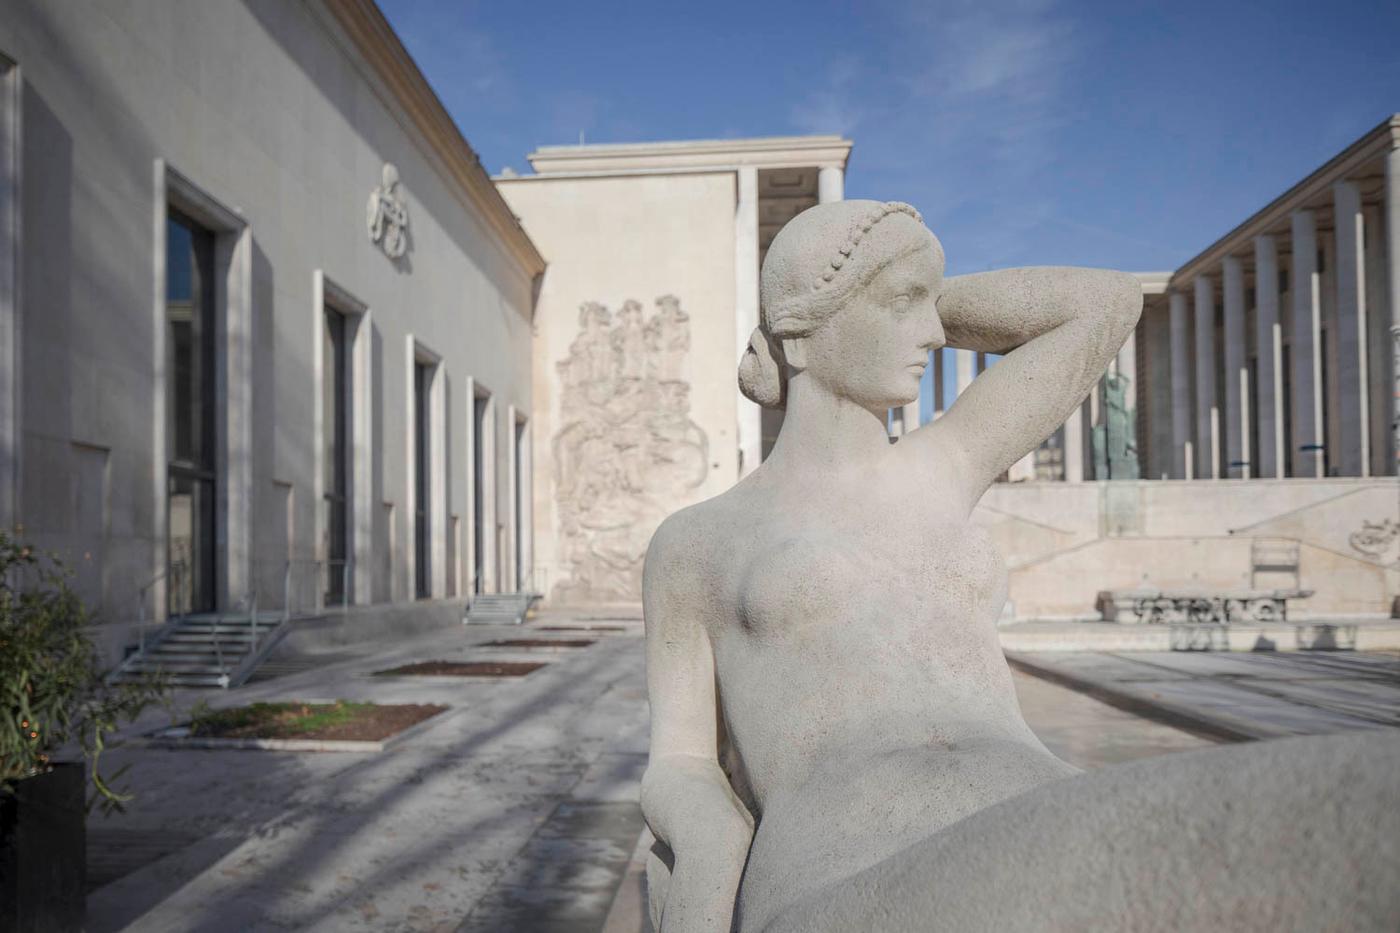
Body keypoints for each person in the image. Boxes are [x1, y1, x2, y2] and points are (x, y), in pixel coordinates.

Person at [640, 200, 1400, 933]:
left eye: (932, 307)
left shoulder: (945, 464)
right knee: (1354, 807)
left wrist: (920, 283)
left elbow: (1102, 305)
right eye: (903, 304)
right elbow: (680, 760)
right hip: (856, 871)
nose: (932, 333)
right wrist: (710, 866)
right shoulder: (701, 540)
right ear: (802, 336)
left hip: (1049, 820)